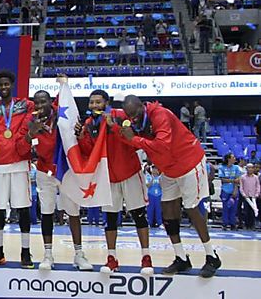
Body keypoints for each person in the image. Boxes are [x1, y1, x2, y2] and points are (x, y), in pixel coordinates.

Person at [118, 95, 220, 278]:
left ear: (143, 106)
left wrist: (134, 140)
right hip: (169, 169)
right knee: (168, 211)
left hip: (189, 163)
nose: (132, 118)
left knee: (192, 208)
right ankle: (181, 257)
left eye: (135, 113)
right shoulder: (136, 121)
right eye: (129, 115)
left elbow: (161, 146)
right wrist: (115, 129)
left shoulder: (160, 115)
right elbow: (132, 139)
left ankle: (211, 256)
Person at [78, 89, 152, 275]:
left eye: (98, 102)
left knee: (139, 215)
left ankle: (146, 257)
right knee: (110, 220)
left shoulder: (119, 116)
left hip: (130, 172)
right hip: (108, 177)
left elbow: (132, 140)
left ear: (106, 102)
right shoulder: (88, 124)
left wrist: (114, 128)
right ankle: (111, 258)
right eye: (91, 102)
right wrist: (80, 138)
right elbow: (89, 150)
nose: (94, 105)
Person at [28, 89, 92, 271]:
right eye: (37, 103)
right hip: (44, 171)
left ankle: (79, 254)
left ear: (50, 102)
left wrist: (64, 85)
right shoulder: (33, 122)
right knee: (47, 212)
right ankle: (48, 255)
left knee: (73, 211)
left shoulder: (63, 115)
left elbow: (65, 100)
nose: (40, 106)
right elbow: (27, 145)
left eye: (43, 102)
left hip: (65, 170)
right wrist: (31, 134)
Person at [0, 69, 35, 268]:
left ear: (12, 85)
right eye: (1, 84)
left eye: (7, 84)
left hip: (20, 163)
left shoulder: (25, 105)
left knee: (22, 210)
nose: (4, 87)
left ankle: (26, 252)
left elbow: (30, 123)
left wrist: (18, 139)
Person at [218, 153, 242, 231]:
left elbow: (238, 180)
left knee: (234, 208)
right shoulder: (222, 167)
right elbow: (222, 180)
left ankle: (233, 224)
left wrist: (235, 190)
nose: (235, 158)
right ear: (228, 159)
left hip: (234, 190)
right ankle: (225, 224)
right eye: (233, 157)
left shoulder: (236, 168)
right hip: (225, 190)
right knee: (225, 208)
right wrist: (232, 180)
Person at [239, 164, 259, 230]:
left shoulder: (256, 177)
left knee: (253, 211)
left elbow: (258, 186)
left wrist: (257, 194)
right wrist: (243, 194)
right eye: (248, 168)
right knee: (246, 211)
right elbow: (241, 187)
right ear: (246, 169)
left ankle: (252, 225)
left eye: (251, 168)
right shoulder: (242, 177)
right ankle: (246, 225)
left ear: (253, 169)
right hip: (246, 197)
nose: (250, 169)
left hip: (253, 196)